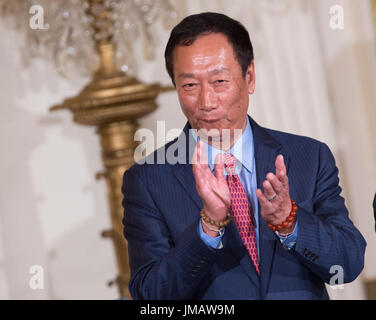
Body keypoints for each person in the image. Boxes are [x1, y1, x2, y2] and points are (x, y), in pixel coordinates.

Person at [121, 12, 366, 300]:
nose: (206, 102)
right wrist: (209, 226)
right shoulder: (149, 180)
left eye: (220, 81)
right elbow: (150, 295)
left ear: (248, 77)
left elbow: (346, 265)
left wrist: (290, 221)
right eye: (189, 85)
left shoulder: (308, 157)